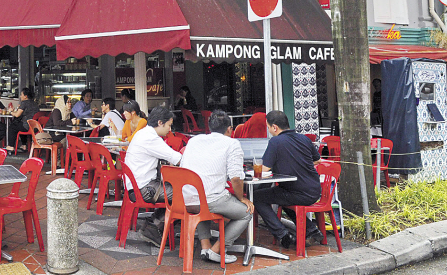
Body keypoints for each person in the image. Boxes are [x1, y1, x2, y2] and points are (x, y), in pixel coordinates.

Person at [180, 110, 253, 264]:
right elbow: (236, 178)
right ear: (229, 129)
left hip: (186, 198)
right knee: (246, 212)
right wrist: (242, 198)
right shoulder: (232, 143)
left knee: (203, 199)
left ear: (210, 128)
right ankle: (216, 250)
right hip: (209, 200)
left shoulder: (194, 140)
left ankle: (205, 247)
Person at [253, 110, 323, 249]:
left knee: (256, 197)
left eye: (268, 127)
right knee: (281, 197)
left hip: (297, 193)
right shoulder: (304, 138)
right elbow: (318, 160)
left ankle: (283, 235)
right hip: (314, 191)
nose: (269, 131)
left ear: (274, 127)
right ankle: (311, 230)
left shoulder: (276, 141)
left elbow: (264, 169)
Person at [125, 106, 181, 246]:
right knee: (185, 194)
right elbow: (177, 158)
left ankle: (153, 224)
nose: (170, 130)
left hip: (135, 186)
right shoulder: (151, 138)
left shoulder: (143, 133)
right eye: (169, 125)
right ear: (160, 123)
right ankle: (155, 226)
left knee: (175, 191)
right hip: (144, 189)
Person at [7, 87, 40, 153]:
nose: (20, 96)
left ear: (25, 96)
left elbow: (17, 115)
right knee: (19, 124)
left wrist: (10, 111)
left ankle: (10, 147)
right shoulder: (35, 103)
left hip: (27, 126)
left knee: (12, 127)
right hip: (35, 127)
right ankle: (23, 145)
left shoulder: (24, 103)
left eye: (21, 95)